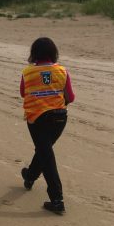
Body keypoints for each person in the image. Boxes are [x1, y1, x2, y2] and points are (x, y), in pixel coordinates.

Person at [20, 37, 75, 214]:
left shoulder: (28, 72)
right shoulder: (62, 71)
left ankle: (57, 199)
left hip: (37, 118)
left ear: (34, 53)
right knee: (44, 151)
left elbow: (23, 93)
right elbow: (71, 97)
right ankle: (30, 176)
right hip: (59, 118)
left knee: (46, 154)